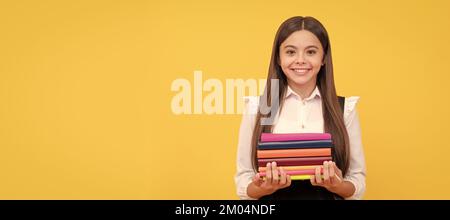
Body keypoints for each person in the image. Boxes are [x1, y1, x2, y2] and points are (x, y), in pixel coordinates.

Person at [234, 16, 366, 200]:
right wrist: (264, 188)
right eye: (290, 52)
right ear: (278, 59)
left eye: (311, 52)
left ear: (323, 58)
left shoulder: (343, 109)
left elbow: (357, 182)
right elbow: (244, 182)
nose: (300, 60)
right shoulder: (261, 108)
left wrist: (338, 185)